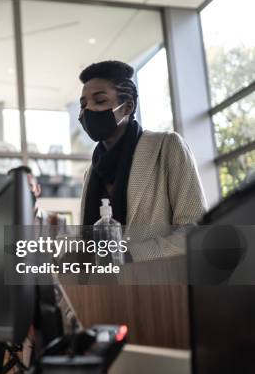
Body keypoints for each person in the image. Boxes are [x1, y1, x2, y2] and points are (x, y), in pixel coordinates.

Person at [77, 60, 207, 260]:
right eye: (83, 104)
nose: (88, 110)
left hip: (159, 285)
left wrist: (129, 255)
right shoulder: (92, 172)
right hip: (103, 288)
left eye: (100, 101)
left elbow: (194, 230)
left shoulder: (167, 146)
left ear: (127, 107)